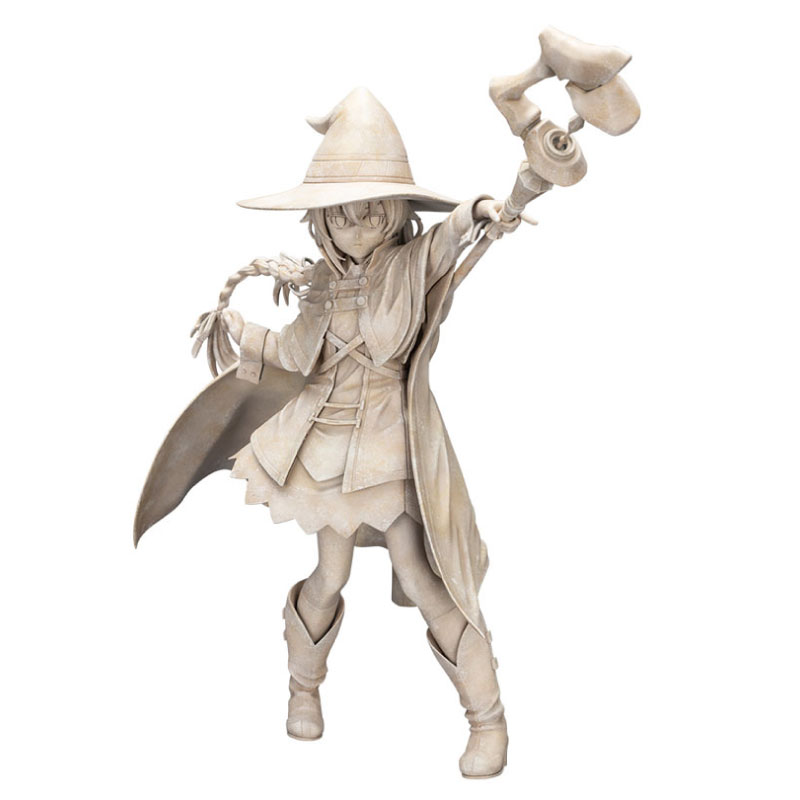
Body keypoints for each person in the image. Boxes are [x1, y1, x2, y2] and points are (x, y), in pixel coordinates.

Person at [136, 87, 521, 779]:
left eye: (371, 208)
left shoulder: (409, 266)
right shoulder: (318, 285)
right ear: (321, 221)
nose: (357, 222)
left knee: (422, 574)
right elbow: (295, 354)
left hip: (392, 446)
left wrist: (481, 211)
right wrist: (244, 333)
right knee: (330, 573)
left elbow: (448, 242)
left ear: (394, 210)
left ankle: (486, 720)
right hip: (325, 451)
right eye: (341, 212)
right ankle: (303, 688)